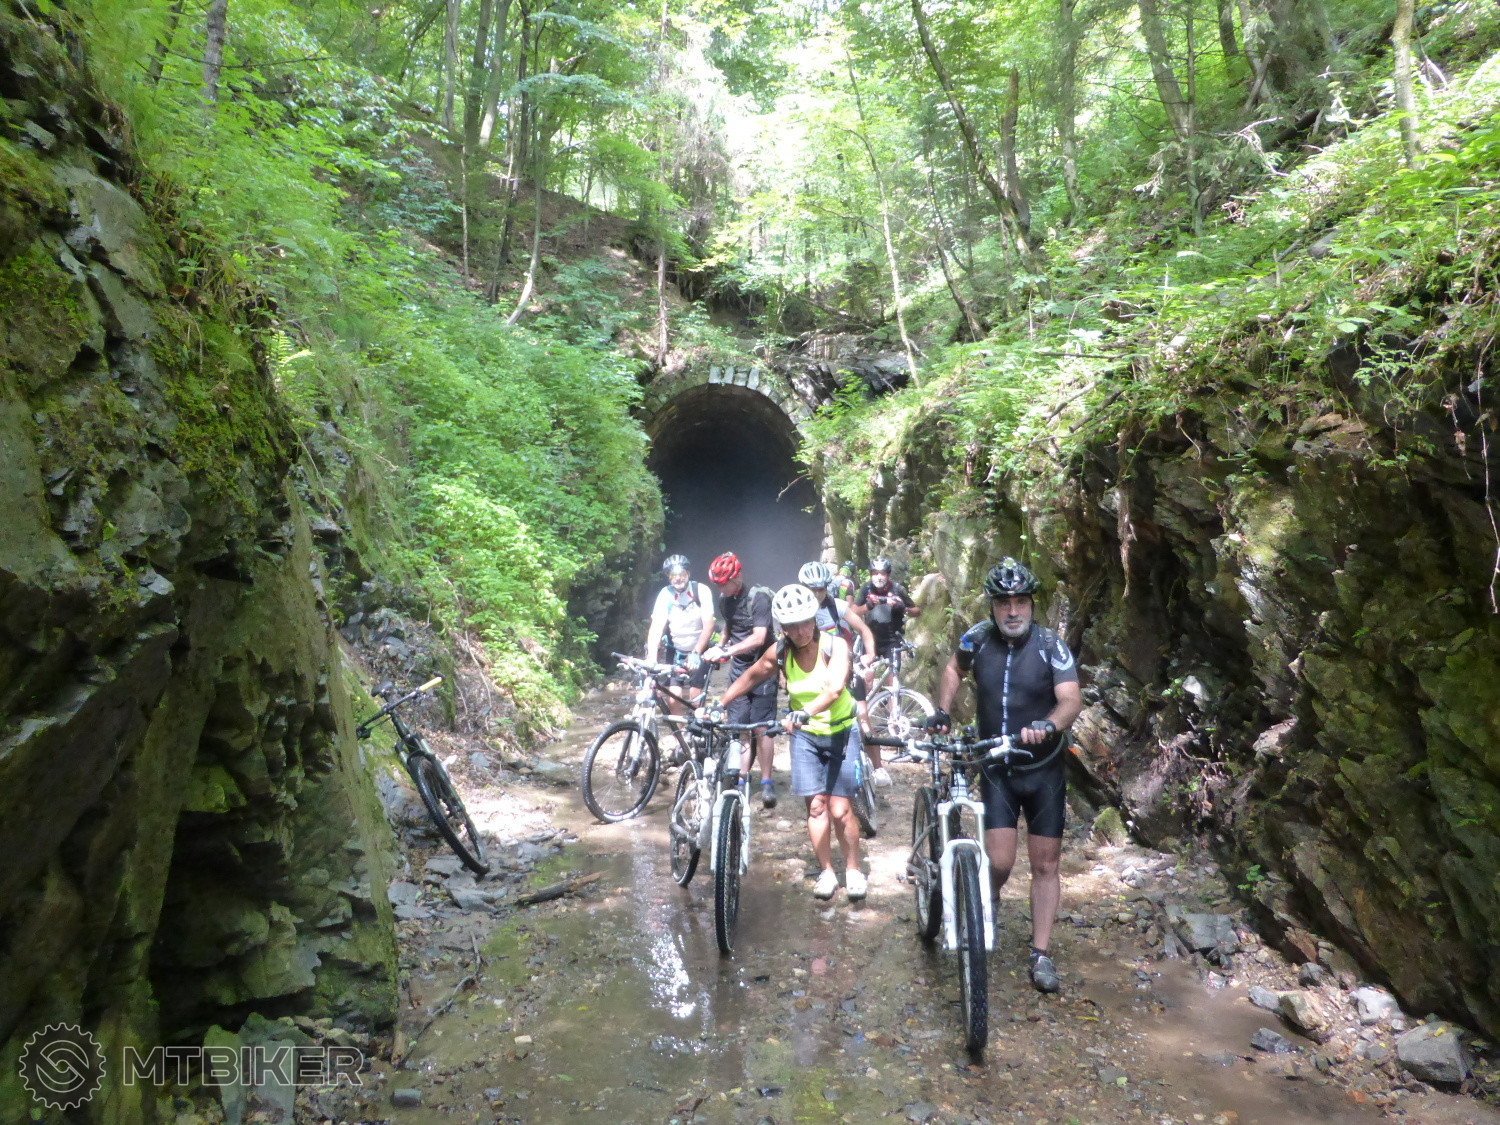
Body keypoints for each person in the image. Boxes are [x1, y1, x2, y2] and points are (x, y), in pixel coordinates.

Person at [933, 557, 1082, 994]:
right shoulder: (977, 638)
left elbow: (1071, 699)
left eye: (1020, 602)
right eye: (1003, 603)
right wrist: (942, 710)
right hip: (997, 766)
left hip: (1043, 768)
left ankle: (1041, 953)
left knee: (1045, 864)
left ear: (1032, 604)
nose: (1012, 611)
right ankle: (990, 896)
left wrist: (1048, 725)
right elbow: (953, 668)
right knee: (998, 862)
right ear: (993, 606)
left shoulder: (1051, 645)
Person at [718, 584, 868, 901]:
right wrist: (721, 702)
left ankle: (853, 869)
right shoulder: (781, 651)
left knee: (840, 809)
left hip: (841, 731)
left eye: (805, 622)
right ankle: (827, 871)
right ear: (783, 628)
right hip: (805, 736)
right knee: (816, 807)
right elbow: (752, 675)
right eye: (792, 625)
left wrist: (804, 712)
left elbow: (835, 688)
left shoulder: (835, 645)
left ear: (814, 619)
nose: (800, 631)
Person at [798, 561, 885, 781]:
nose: (816, 594)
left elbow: (864, 629)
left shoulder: (837, 606)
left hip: (847, 671)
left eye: (820, 589)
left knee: (862, 718)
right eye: (812, 589)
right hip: (816, 676)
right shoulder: (798, 612)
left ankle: (878, 769)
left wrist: (869, 655)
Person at [703, 552, 778, 807]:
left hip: (763, 667)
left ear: (736, 578)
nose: (720, 588)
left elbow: (759, 637)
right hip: (739, 669)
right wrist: (718, 646)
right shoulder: (725, 600)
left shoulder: (759, 598)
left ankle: (767, 782)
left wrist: (727, 651)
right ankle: (742, 777)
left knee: (762, 727)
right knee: (739, 728)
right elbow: (729, 627)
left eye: (723, 583)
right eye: (717, 584)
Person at [848, 557, 918, 786]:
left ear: (888, 575)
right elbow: (853, 611)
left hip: (892, 641)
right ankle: (866, 710)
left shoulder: (898, 589)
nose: (878, 577)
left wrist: (902, 606)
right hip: (869, 640)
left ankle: (893, 722)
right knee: (866, 678)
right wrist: (868, 605)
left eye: (882, 573)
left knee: (892, 680)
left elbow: (917, 610)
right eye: (875, 573)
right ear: (871, 575)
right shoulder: (866, 588)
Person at [644, 555, 714, 713]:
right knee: (672, 697)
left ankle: (697, 725)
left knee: (696, 697)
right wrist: (651, 659)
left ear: (688, 573)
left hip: (699, 649)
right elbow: (656, 628)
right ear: (668, 577)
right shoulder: (665, 594)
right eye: (673, 575)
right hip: (676, 650)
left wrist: (696, 652)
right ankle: (678, 728)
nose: (677, 579)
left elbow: (709, 625)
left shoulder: (701, 590)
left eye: (681, 574)